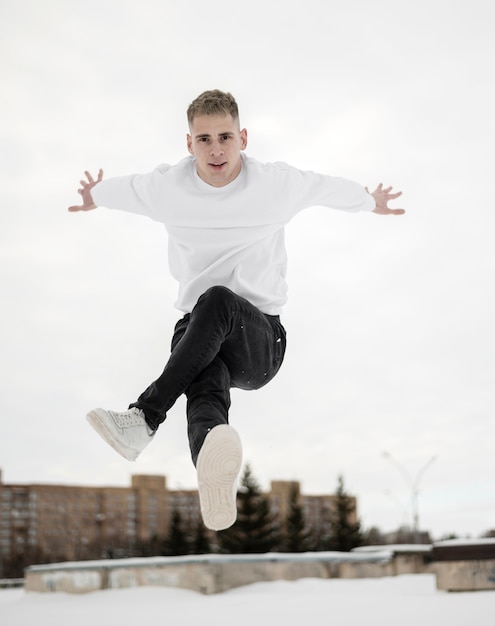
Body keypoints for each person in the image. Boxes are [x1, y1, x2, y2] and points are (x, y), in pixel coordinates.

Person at [68, 89, 404, 531]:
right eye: (203, 139)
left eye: (225, 136)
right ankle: (213, 470)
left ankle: (143, 417)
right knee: (203, 383)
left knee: (218, 299)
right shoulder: (167, 188)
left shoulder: (275, 184)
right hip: (198, 336)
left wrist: (369, 201)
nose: (216, 149)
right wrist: (95, 195)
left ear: (243, 137)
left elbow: (325, 187)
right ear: (189, 145)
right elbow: (123, 190)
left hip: (260, 341)